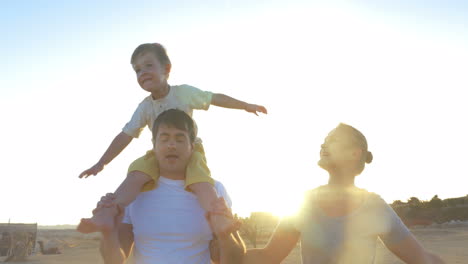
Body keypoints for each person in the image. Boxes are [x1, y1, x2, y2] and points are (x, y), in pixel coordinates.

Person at [77, 43, 267, 234]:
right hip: (158, 153)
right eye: (137, 70)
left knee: (201, 182)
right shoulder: (145, 107)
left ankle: (220, 218)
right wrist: (101, 163)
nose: (142, 72)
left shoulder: (183, 93)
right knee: (135, 175)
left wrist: (246, 105)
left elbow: (214, 98)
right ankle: (106, 214)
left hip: (190, 152)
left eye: (148, 65)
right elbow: (125, 135)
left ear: (166, 69)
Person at [241, 123, 445, 263]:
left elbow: (423, 260)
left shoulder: (374, 207)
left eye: (332, 140)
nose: (322, 145)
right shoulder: (303, 203)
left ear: (354, 152)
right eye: (323, 141)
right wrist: (225, 242)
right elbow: (267, 257)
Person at [99, 109, 245, 264]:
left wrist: (225, 236)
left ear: (192, 147)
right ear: (154, 145)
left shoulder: (214, 191)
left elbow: (234, 259)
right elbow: (114, 260)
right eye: (164, 138)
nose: (171, 145)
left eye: (180, 139)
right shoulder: (135, 191)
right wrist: (108, 233)